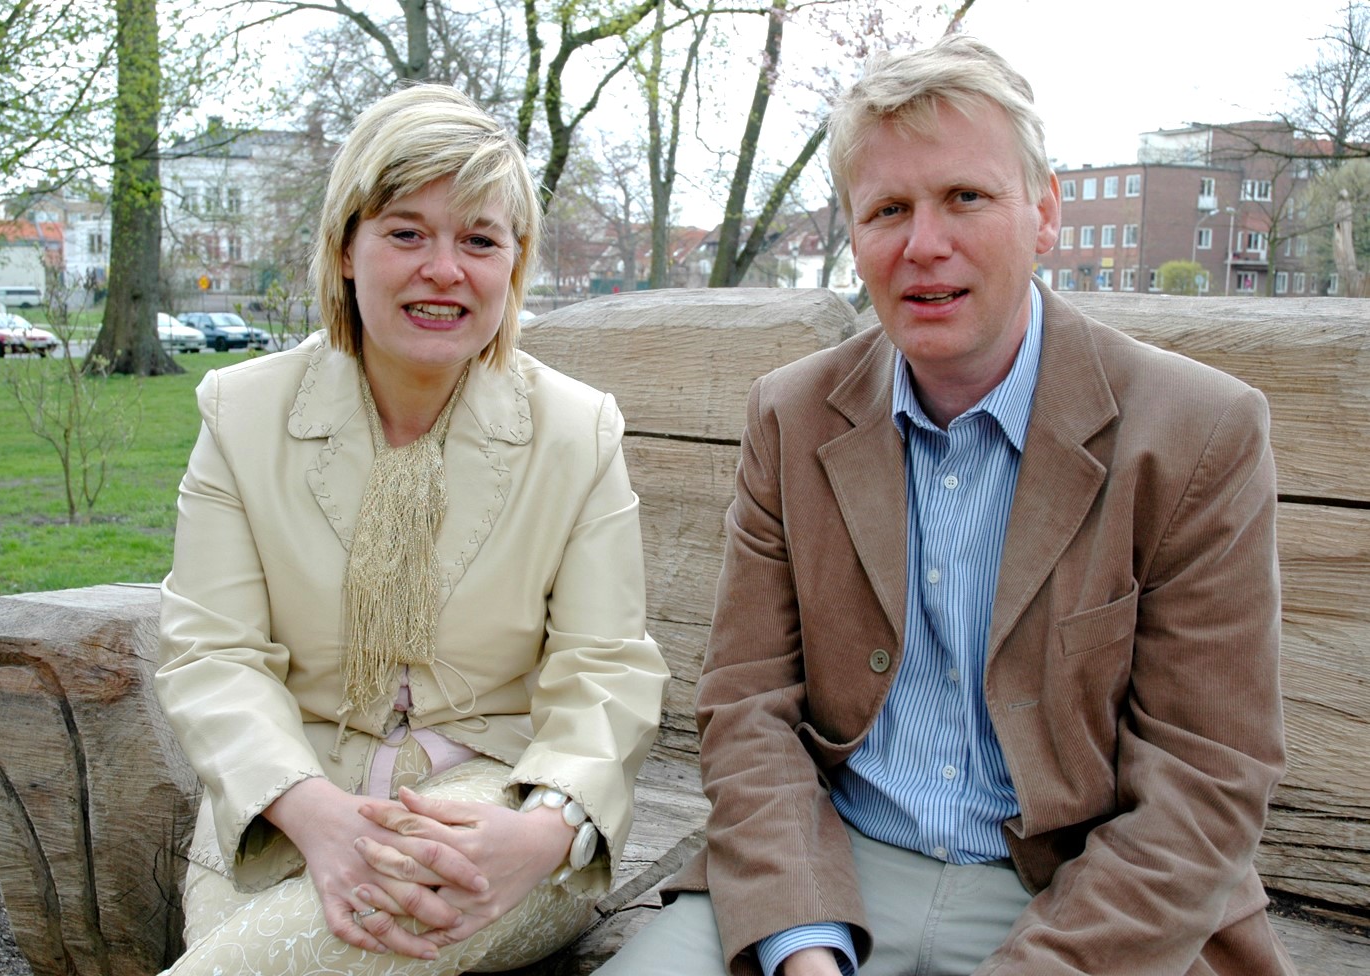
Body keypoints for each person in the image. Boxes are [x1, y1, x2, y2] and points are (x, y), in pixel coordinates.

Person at [597, 34, 1293, 976]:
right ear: (855, 236)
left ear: (1044, 213)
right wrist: (802, 945)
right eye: (889, 209)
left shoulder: (1199, 433)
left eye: (966, 196)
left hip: (1083, 893)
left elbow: (1207, 780)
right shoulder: (793, 417)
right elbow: (748, 706)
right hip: (832, 865)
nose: (926, 245)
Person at [154, 84, 669, 975]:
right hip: (284, 800)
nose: (445, 268)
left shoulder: (578, 431)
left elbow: (606, 669)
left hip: (493, 807)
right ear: (346, 250)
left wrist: (543, 834)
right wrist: (312, 812)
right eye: (406, 232)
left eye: (479, 239)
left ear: (514, 265)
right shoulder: (241, 412)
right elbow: (214, 653)